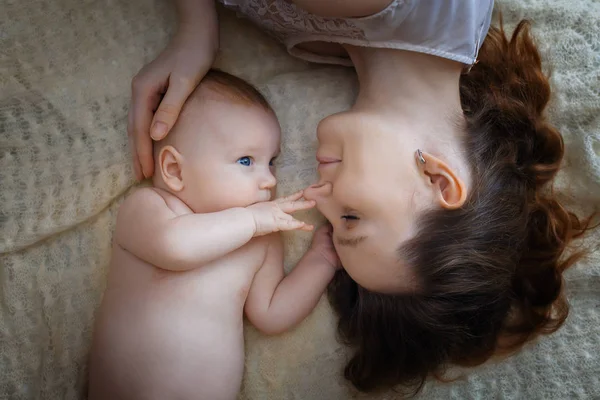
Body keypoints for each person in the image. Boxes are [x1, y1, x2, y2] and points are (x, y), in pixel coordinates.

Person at [126, 0, 595, 394]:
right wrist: (198, 29)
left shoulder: (344, 45)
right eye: (351, 217)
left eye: (334, 225)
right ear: (439, 181)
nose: (318, 198)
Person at [89, 70, 340, 400]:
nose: (268, 179)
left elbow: (271, 313)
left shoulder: (261, 241)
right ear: (175, 170)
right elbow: (175, 247)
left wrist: (321, 260)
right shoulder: (151, 207)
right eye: (246, 160)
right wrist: (249, 220)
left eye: (272, 162)